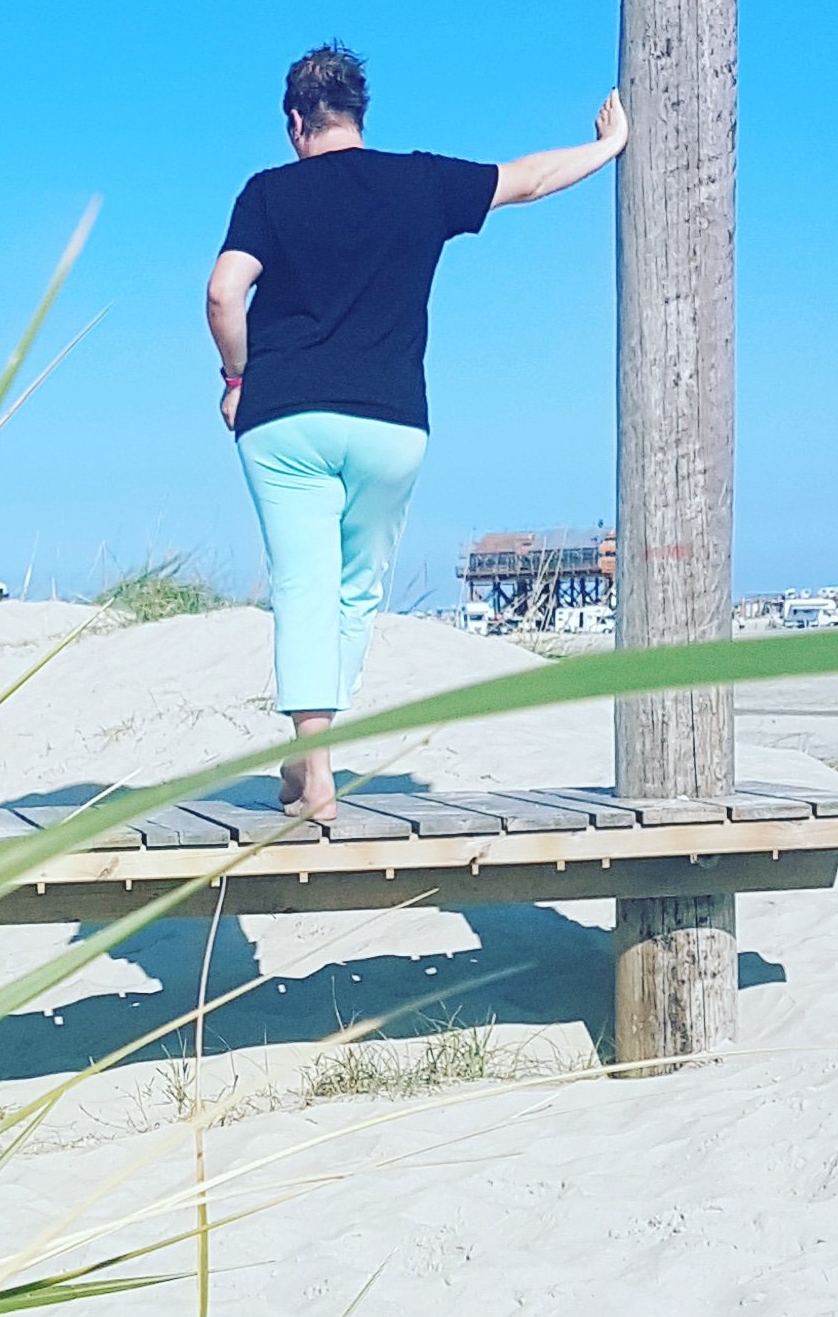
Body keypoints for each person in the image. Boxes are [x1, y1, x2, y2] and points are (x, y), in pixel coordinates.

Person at [206, 43, 627, 820]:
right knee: (355, 590)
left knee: (303, 583)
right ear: (360, 114)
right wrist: (608, 146)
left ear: (296, 121)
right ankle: (311, 760)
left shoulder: (267, 193)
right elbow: (529, 179)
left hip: (285, 418)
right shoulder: (420, 181)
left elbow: (223, 293)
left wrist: (237, 379)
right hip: (390, 419)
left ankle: (314, 766)